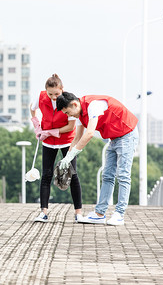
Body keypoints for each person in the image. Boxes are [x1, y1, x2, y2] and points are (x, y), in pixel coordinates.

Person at [56, 92, 139, 226]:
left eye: (67, 112)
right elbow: (77, 138)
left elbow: (89, 134)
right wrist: (66, 158)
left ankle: (119, 214)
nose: (68, 116)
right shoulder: (79, 114)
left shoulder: (93, 106)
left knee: (123, 175)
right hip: (113, 138)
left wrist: (73, 154)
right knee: (107, 176)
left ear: (74, 104)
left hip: (127, 134)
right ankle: (99, 214)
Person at [30, 74, 83, 223]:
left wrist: (50, 132)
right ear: (46, 91)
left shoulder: (68, 101)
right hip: (48, 142)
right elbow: (32, 109)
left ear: (62, 90)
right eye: (50, 94)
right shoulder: (40, 97)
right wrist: (37, 126)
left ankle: (78, 212)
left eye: (56, 94)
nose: (53, 97)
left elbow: (71, 126)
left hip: (67, 141)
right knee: (46, 175)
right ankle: (43, 212)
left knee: (73, 175)